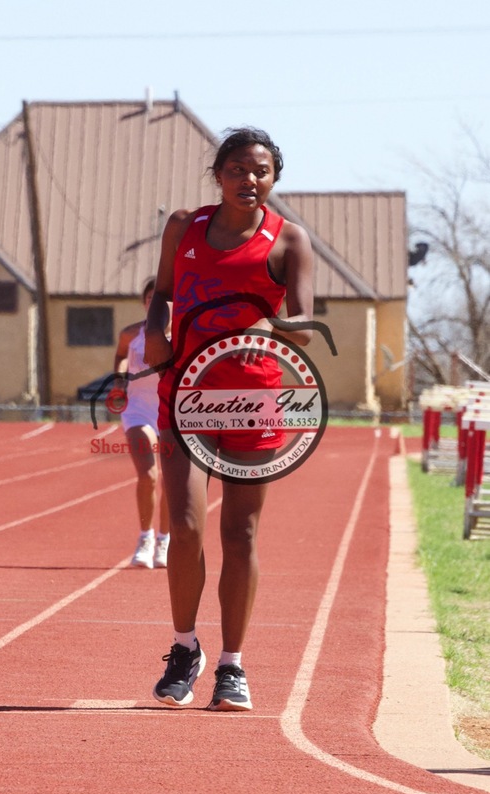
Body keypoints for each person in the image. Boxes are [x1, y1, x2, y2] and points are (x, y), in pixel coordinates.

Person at [144, 127, 314, 710]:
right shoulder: (184, 228)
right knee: (185, 527)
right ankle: (185, 647)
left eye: (262, 170)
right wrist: (153, 333)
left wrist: (267, 329)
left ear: (274, 177)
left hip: (252, 401)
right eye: (239, 169)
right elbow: (162, 295)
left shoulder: (289, 239)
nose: (251, 179)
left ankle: (232, 667)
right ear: (218, 174)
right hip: (184, 394)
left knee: (239, 534)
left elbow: (303, 324)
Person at [114, 278, 170, 569]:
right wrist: (119, 379)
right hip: (138, 411)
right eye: (150, 298)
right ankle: (145, 536)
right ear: (145, 301)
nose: (155, 303)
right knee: (148, 475)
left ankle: (165, 539)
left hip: (172, 412)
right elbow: (121, 356)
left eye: (160, 298)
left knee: (171, 482)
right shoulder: (130, 334)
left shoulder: (182, 335)